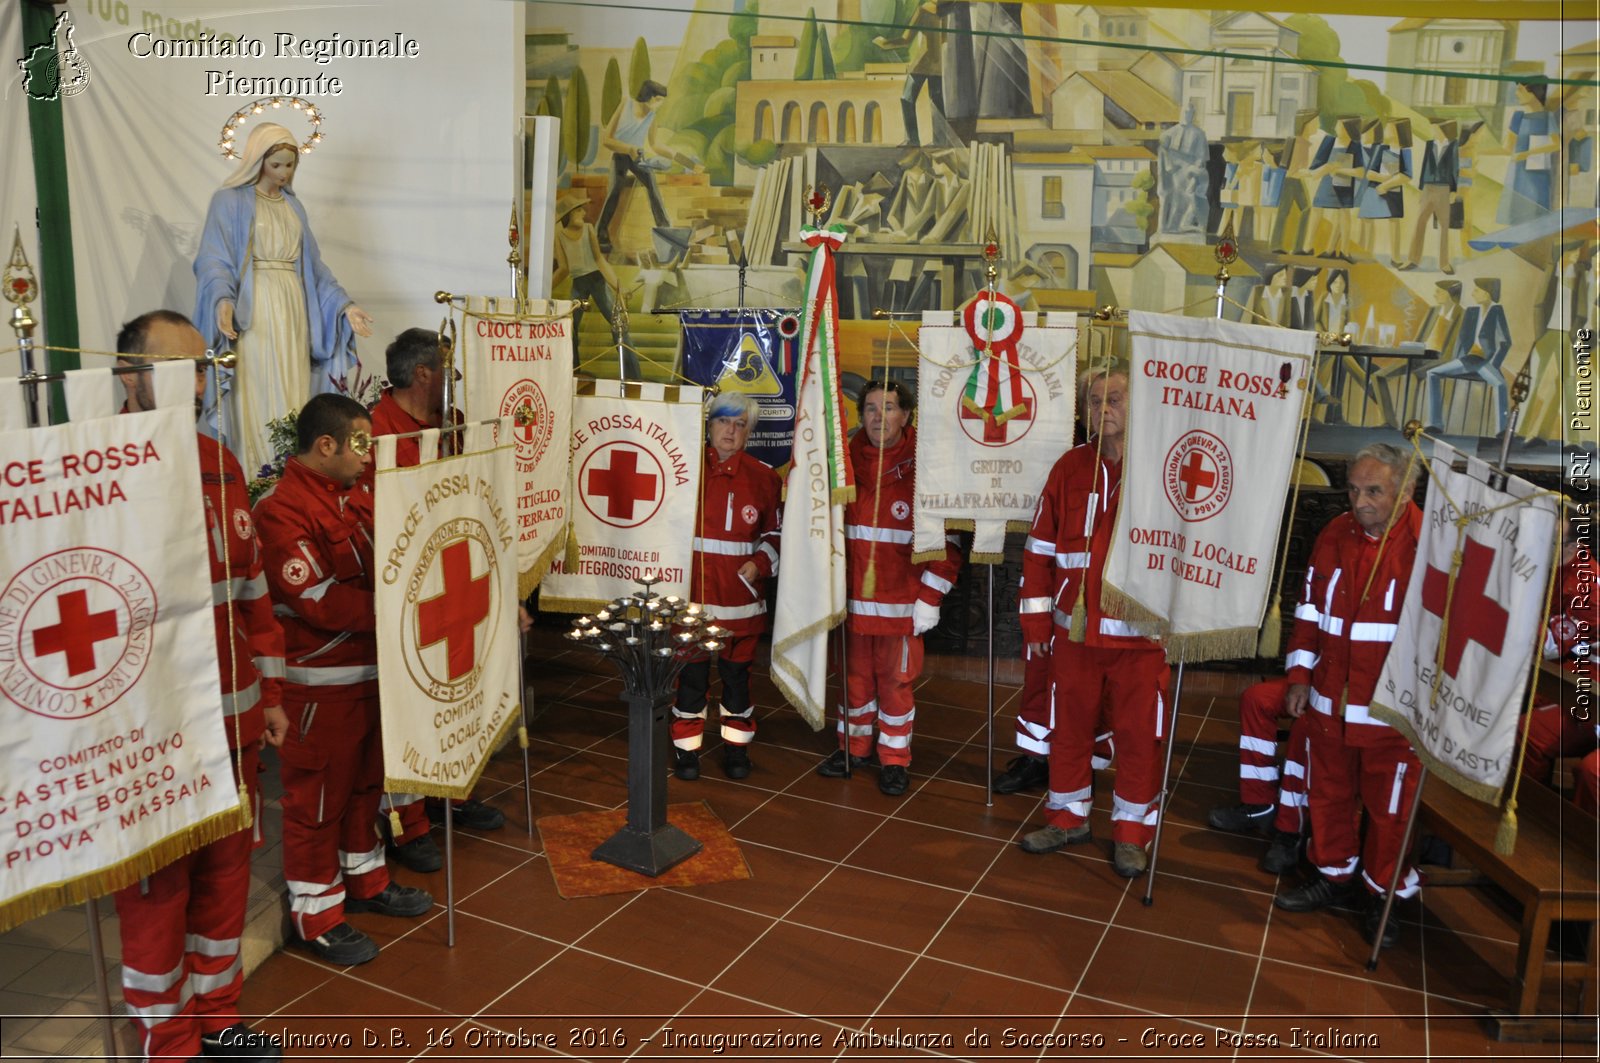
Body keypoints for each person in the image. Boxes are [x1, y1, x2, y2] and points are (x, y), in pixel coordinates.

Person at [111, 311, 288, 1063]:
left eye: (204, 368)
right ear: (128, 375)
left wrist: (271, 695)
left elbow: (252, 594)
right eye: (180, 369)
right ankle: (170, 1037)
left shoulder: (219, 460)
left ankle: (218, 1015)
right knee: (157, 892)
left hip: (234, 727)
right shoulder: (97, 473)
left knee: (225, 875)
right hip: (153, 735)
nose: (197, 385)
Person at [255, 393, 434, 966]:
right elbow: (319, 601)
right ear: (325, 445)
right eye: (360, 444)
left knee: (364, 788)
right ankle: (318, 915)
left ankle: (367, 881)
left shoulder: (351, 497)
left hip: (371, 675)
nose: (368, 456)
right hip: (319, 687)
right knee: (318, 802)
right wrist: (409, 609)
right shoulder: (280, 511)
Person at [1017, 366, 1169, 878]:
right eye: (1095, 400)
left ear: (1137, 405)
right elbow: (1038, 550)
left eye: (1116, 399)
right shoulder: (1069, 468)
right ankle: (1067, 818)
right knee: (1069, 728)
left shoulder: (1162, 468)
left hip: (1141, 638)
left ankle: (1130, 832)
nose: (1104, 409)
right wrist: (1037, 624)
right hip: (1074, 634)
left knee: (1137, 736)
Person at [368, 328, 508, 873]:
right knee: (410, 704)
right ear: (423, 373)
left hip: (453, 577)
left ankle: (452, 792)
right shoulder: (378, 433)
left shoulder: (446, 428)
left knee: (456, 692)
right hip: (409, 595)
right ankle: (409, 823)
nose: (451, 381)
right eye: (446, 371)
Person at [1273, 443, 1422, 949]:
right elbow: (1311, 610)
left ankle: (1382, 896)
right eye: (1354, 489)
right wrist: (1298, 675)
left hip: (1391, 714)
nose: (1359, 502)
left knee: (1388, 811)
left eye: (1373, 491)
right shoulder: (1335, 533)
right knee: (1329, 794)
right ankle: (1334, 875)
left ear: (1406, 491)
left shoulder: (1434, 546)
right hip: (1329, 700)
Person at [194, 122, 375, 476]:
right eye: (275, 164)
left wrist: (344, 305)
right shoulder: (228, 201)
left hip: (293, 311)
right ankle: (256, 477)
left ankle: (287, 474)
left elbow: (315, 269)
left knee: (292, 392)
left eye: (289, 165)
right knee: (258, 391)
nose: (283, 172)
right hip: (255, 310)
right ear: (257, 161)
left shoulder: (294, 207)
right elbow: (213, 260)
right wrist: (223, 300)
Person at [817, 379, 962, 797]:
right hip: (852, 603)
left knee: (895, 684)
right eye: (872, 409)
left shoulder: (926, 465)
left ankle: (894, 759)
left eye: (891, 408)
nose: (880, 417)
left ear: (907, 415)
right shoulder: (842, 462)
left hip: (902, 605)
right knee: (853, 680)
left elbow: (947, 539)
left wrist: (931, 597)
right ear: (861, 415)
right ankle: (854, 748)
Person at [671, 392, 782, 781]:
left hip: (741, 604)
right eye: (723, 421)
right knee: (692, 680)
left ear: (749, 431)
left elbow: (775, 533)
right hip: (694, 600)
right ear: (709, 424)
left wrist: (761, 562)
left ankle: (736, 750)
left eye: (739, 424)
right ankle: (686, 751)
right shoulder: (682, 467)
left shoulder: (765, 478)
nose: (730, 431)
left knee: (737, 681)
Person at [1205, 678, 1310, 874]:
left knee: (1303, 728)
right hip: (1315, 681)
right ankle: (1260, 804)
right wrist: (1301, 680)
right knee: (1255, 699)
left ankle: (1291, 830)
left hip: (1351, 698)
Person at [595, 80, 701, 255]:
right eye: (658, 100)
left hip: (638, 157)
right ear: (649, 97)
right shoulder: (625, 104)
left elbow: (656, 145)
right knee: (614, 189)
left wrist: (688, 163)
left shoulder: (651, 117)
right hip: (621, 155)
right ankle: (601, 234)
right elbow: (606, 139)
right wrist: (628, 148)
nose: (660, 105)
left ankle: (666, 232)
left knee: (653, 188)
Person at [552, 191, 636, 378]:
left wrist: (617, 286)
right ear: (569, 215)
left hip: (597, 279)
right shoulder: (559, 235)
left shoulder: (589, 229)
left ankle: (632, 374)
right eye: (579, 210)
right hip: (579, 283)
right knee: (570, 325)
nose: (583, 213)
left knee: (617, 323)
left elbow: (599, 260)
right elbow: (564, 269)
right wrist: (543, 288)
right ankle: (574, 371)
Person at [1424, 277, 1511, 435]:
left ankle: (1502, 429)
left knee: (1500, 385)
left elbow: (1505, 343)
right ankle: (1435, 423)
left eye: (1477, 290)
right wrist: (1457, 358)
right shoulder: (1472, 311)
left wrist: (1494, 365)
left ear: (1487, 293)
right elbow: (1462, 338)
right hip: (1467, 360)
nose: (1472, 293)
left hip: (1485, 362)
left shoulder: (1497, 311)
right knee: (1432, 373)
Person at [1377, 280, 1463, 429]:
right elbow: (1419, 337)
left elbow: (1456, 348)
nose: (1435, 294)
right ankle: (1389, 421)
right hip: (1421, 355)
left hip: (1442, 359)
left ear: (1450, 295)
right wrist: (1411, 348)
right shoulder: (1433, 310)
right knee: (1379, 375)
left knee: (1413, 376)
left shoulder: (1461, 314)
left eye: (1439, 291)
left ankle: (1408, 424)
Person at [874, 1, 947, 148]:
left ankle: (913, 140)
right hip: (938, 65)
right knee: (937, 104)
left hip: (921, 64)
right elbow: (945, 39)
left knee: (907, 99)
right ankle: (940, 142)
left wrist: (884, 43)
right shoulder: (945, 12)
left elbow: (906, 40)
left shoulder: (923, 10)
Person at [1498, 81, 1560, 226]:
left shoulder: (1547, 117)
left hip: (1538, 173)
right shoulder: (1518, 117)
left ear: (1533, 92)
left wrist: (1527, 153)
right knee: (1519, 214)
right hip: (1519, 173)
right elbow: (1507, 148)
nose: (1516, 93)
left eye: (1520, 90)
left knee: (1538, 213)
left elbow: (1556, 144)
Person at [1401, 119, 1459, 274]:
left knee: (1444, 226)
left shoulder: (1453, 145)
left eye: (1435, 128)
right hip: (1428, 186)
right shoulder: (1429, 144)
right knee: (1420, 222)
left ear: (1442, 129)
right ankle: (1412, 259)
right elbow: (1425, 165)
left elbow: (1455, 168)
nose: (1433, 131)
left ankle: (1444, 263)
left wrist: (1453, 190)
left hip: (1444, 188)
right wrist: (1421, 189)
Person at [1157, 103, 1209, 235]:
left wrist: (1194, 176)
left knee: (1188, 201)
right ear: (1181, 113)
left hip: (1189, 172)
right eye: (1185, 112)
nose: (1187, 115)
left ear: (1193, 115)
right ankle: (1168, 227)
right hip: (1173, 172)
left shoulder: (1199, 134)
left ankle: (1180, 226)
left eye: (1190, 113)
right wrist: (1169, 165)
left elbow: (1201, 158)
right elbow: (1163, 149)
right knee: (1172, 199)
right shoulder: (1170, 133)